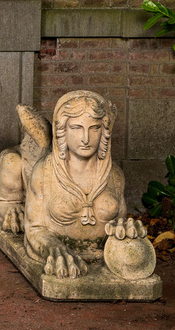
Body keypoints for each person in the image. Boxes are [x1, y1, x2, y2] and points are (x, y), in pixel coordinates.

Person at [23, 90, 146, 278]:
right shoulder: (44, 172)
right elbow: (33, 229)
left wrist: (124, 229)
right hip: (61, 256)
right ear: (62, 131)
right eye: (76, 128)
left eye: (94, 128)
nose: (86, 138)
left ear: (104, 131)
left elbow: (117, 224)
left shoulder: (115, 175)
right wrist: (53, 247)